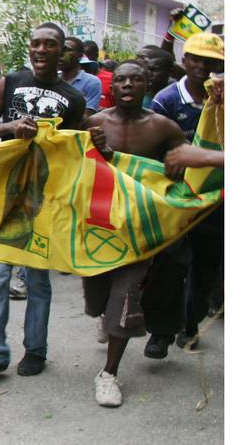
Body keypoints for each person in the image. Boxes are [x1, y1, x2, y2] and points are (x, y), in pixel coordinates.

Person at [0, 22, 87, 385]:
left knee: (38, 278)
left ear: (61, 52)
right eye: (35, 43)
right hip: (3, 192)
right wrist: (10, 129)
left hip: (44, 197)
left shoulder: (74, 98)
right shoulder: (11, 81)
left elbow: (75, 152)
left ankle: (36, 350)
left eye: (49, 44)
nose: (40, 49)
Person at [81, 60, 186, 407]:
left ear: (147, 84)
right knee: (97, 295)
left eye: (136, 79)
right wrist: (93, 150)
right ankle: (105, 316)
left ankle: (108, 373)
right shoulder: (94, 123)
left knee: (126, 296)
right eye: (121, 80)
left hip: (140, 229)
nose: (127, 85)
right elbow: (74, 167)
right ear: (112, 87)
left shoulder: (163, 127)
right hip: (98, 226)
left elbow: (182, 167)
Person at [150, 32, 224, 350]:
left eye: (212, 62)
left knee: (205, 264)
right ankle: (160, 332)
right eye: (196, 59)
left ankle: (189, 326)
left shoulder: (225, 97)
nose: (203, 67)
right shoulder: (166, 100)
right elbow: (153, 144)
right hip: (174, 195)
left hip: (215, 198)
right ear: (184, 60)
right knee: (168, 263)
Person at [61, 36, 103, 117]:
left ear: (80, 56)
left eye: (68, 50)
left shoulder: (91, 82)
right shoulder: (50, 80)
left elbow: (86, 116)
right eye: (61, 50)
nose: (62, 54)